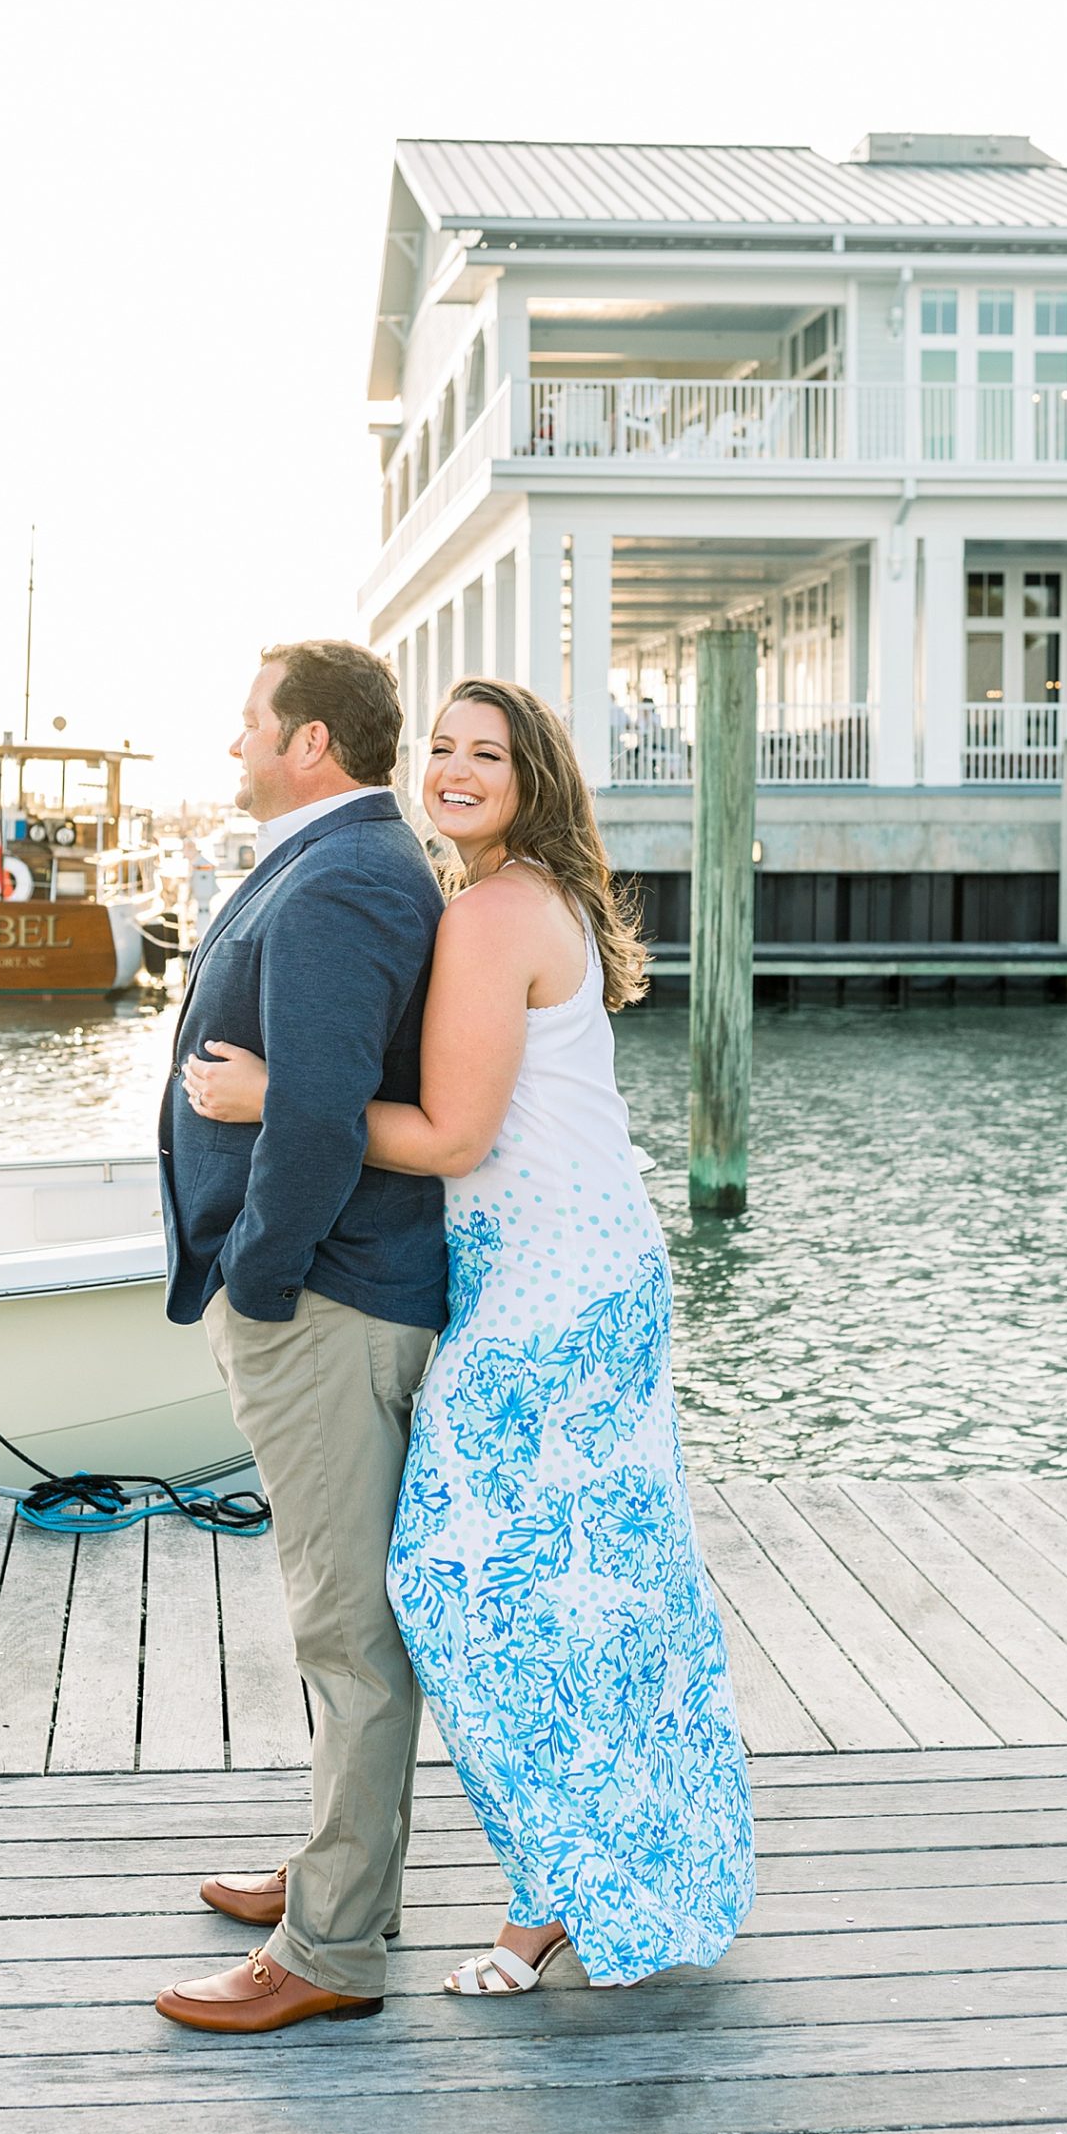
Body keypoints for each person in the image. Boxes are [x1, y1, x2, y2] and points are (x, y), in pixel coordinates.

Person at [184, 677, 755, 1998]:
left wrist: (277, 1096)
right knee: (575, 1595)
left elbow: (452, 1138)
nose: (450, 767)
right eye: (439, 746)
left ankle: (554, 1889)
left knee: (467, 1589)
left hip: (555, 1290)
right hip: (560, 1274)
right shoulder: (504, 895)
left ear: (531, 774)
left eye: (483, 753)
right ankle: (559, 1880)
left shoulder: (496, 911)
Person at [154, 640, 448, 2035]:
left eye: (249, 723)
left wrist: (260, 1279)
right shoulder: (334, 856)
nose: (233, 745)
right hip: (318, 1294)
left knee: (345, 1626)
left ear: (313, 742)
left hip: (324, 1301)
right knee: (335, 1613)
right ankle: (339, 1871)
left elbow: (320, 1112)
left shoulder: (340, 876)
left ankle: (332, 1952)